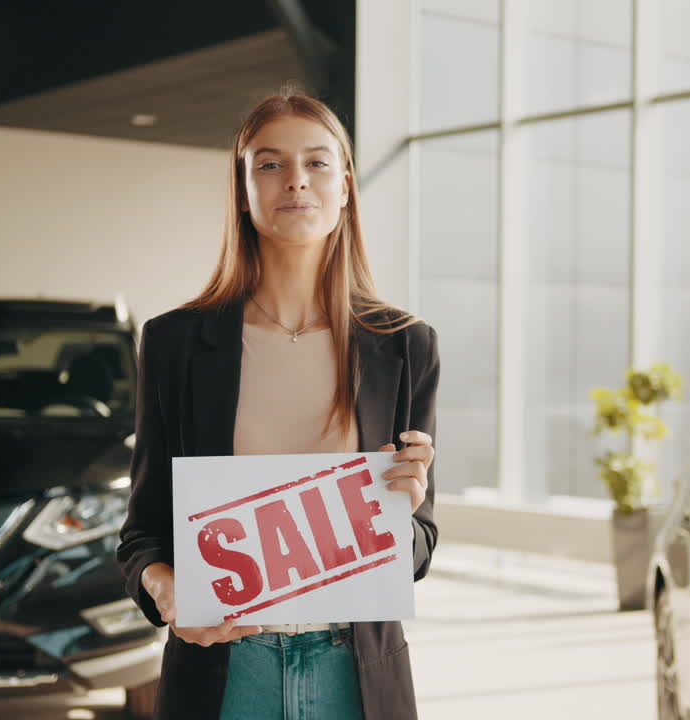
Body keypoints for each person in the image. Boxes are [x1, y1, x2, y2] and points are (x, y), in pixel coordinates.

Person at [116, 88, 440, 720]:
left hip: (354, 673)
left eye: (317, 163)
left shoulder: (403, 346)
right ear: (243, 188)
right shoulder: (176, 343)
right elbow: (141, 535)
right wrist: (169, 592)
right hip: (225, 674)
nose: (297, 181)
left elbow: (422, 543)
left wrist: (407, 504)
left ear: (345, 188)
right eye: (270, 164)